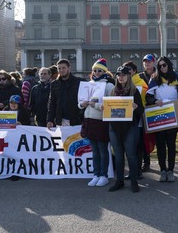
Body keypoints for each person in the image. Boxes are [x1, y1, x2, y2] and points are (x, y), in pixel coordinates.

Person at [145, 56, 178, 183]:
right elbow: (149, 97)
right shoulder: (154, 79)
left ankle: (171, 170)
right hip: (159, 116)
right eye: (160, 66)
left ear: (169, 65)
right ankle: (163, 170)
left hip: (173, 117)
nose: (162, 68)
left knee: (171, 145)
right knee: (161, 145)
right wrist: (156, 101)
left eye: (164, 65)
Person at [108, 66, 145, 193]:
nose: (121, 77)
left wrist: (136, 107)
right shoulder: (113, 91)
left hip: (129, 127)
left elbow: (141, 110)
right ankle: (119, 181)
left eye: (123, 74)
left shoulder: (134, 91)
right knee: (118, 156)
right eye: (118, 75)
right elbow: (109, 110)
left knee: (131, 155)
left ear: (128, 76)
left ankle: (134, 182)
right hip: (114, 127)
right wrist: (104, 108)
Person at [79, 58, 114, 187]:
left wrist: (97, 105)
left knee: (102, 149)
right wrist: (81, 104)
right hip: (89, 119)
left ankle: (104, 175)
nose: (97, 73)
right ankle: (96, 174)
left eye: (100, 70)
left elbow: (110, 104)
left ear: (104, 71)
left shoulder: (109, 85)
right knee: (94, 150)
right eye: (95, 70)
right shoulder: (88, 84)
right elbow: (80, 102)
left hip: (101, 120)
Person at [123, 61, 150, 176]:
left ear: (134, 71)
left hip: (137, 118)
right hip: (124, 120)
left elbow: (144, 100)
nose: (127, 71)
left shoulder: (141, 83)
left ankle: (138, 170)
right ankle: (131, 170)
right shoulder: (122, 82)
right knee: (128, 147)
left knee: (137, 145)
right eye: (125, 69)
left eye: (129, 69)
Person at [47, 59, 84, 128]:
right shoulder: (54, 84)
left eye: (63, 68)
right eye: (59, 68)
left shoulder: (79, 82)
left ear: (69, 68)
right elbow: (52, 103)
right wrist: (50, 120)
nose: (61, 70)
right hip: (60, 121)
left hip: (76, 120)